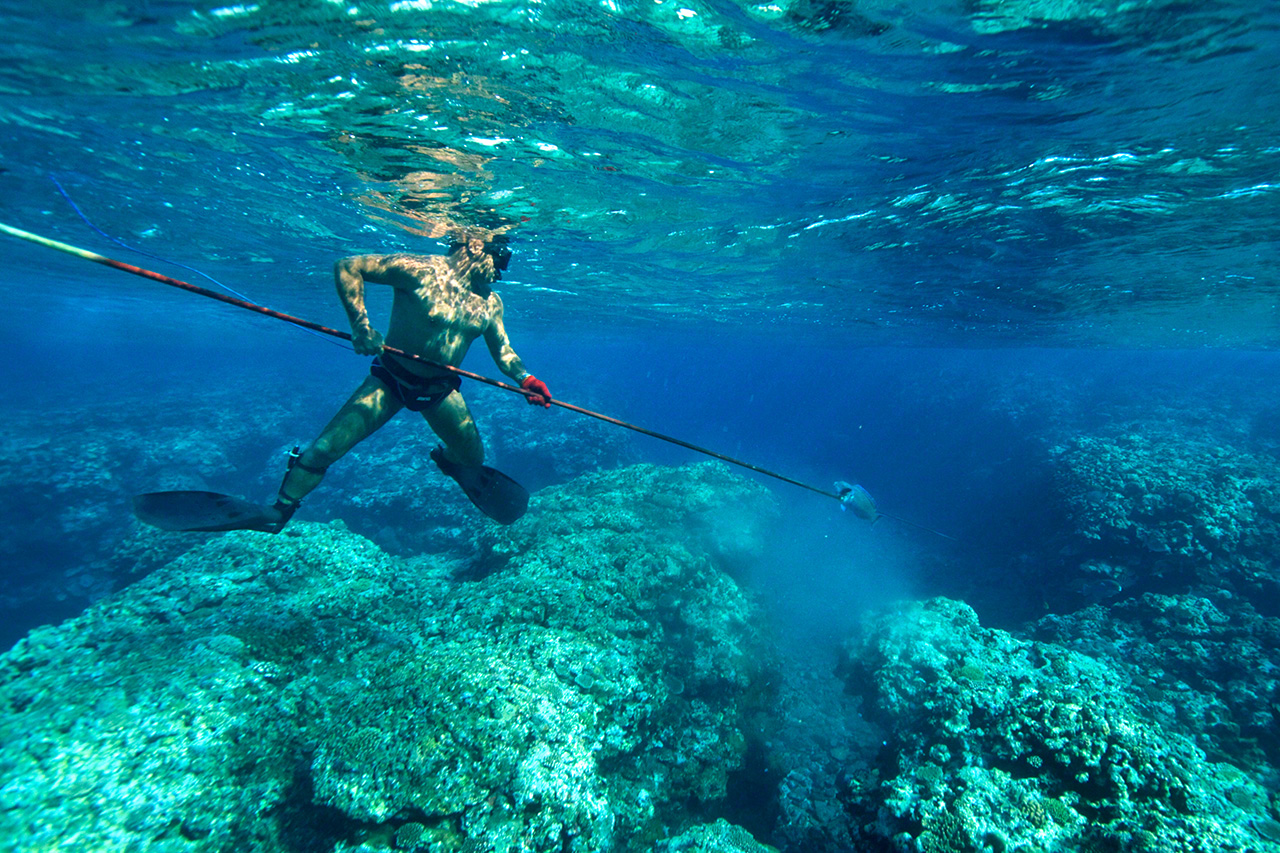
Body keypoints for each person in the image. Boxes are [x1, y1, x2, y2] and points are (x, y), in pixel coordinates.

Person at [133, 231, 551, 533]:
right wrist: (362, 327)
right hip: (391, 379)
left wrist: (526, 378)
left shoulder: (491, 302)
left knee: (472, 459)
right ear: (474, 246)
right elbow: (348, 267)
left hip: (440, 390)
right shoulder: (422, 270)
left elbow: (503, 350)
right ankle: (277, 512)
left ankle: (447, 461)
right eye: (502, 259)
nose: (503, 270)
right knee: (324, 450)